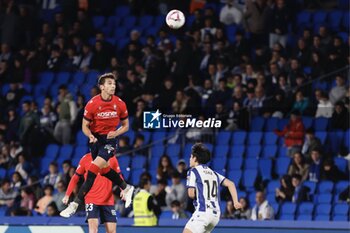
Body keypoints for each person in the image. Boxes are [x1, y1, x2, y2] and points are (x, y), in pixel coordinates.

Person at [60, 73, 134, 218]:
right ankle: (127, 187)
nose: (113, 86)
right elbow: (84, 126)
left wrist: (117, 133)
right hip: (95, 140)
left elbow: (126, 126)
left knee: (93, 169)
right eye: (109, 84)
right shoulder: (92, 104)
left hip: (110, 140)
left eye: (114, 83)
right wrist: (90, 135)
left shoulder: (120, 103)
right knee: (103, 170)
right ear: (102, 87)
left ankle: (74, 204)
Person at [183, 143, 242, 233]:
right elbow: (231, 184)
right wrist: (236, 202)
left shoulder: (193, 171)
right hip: (215, 215)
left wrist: (201, 196)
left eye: (191, 157)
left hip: (202, 213)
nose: (189, 159)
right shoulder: (214, 173)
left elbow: (191, 194)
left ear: (195, 158)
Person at [62, 152, 121, 233]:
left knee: (111, 231)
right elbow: (75, 177)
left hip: (107, 199)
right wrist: (67, 194)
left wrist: (124, 190)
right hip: (91, 199)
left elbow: (118, 175)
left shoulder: (111, 157)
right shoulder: (86, 158)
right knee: (93, 231)